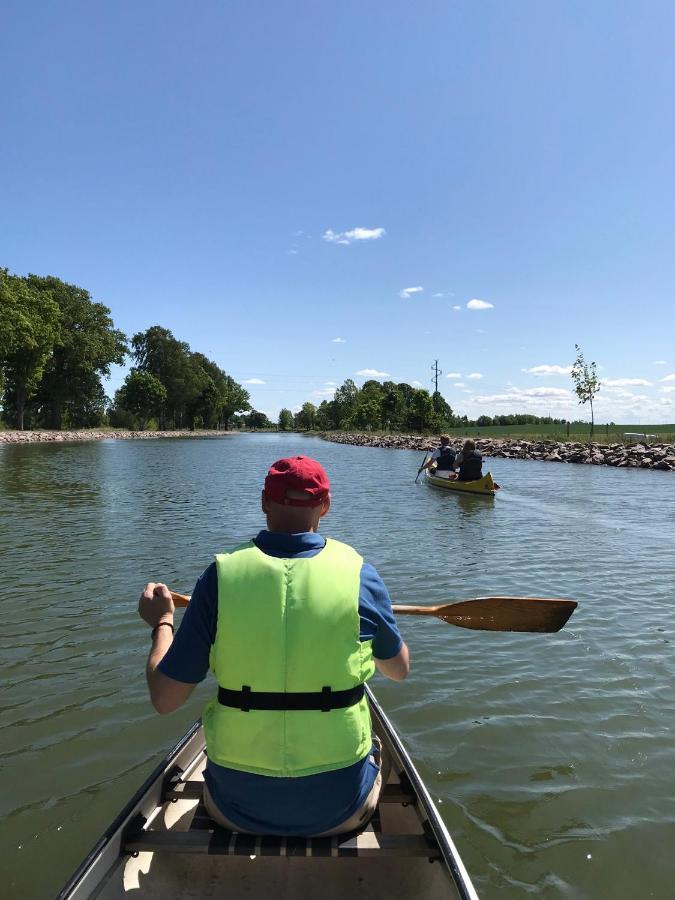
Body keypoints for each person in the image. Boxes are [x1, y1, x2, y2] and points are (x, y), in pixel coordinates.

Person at [138, 455, 409, 838]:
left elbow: (165, 699)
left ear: (264, 501)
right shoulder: (360, 575)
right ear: (326, 506)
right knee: (374, 740)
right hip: (341, 811)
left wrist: (162, 622)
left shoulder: (219, 577)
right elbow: (398, 671)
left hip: (234, 809)